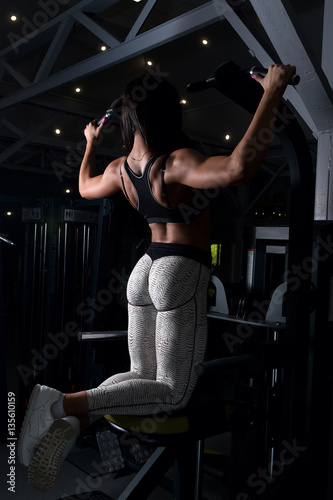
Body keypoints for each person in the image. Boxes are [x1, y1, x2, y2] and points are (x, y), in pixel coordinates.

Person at [18, 64, 296, 492]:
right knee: (172, 392)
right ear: (167, 117)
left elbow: (83, 188)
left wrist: (91, 144)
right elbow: (240, 167)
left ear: (131, 121)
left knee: (142, 373)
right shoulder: (174, 163)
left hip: (144, 270)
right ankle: (58, 405)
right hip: (179, 270)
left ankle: (77, 415)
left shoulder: (120, 169)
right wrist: (270, 94)